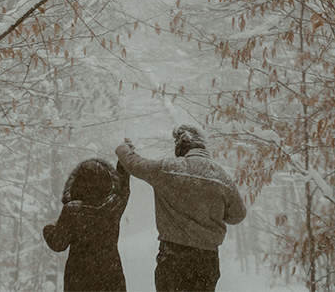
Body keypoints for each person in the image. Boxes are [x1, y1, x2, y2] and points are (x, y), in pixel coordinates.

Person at [116, 125, 246, 292]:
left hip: (173, 256)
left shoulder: (168, 169)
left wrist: (123, 148)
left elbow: (135, 164)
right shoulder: (222, 177)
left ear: (181, 145)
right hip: (207, 259)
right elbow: (238, 216)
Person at [43, 157, 130, 292]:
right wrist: (123, 163)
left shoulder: (72, 211)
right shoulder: (113, 205)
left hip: (79, 277)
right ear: (105, 181)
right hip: (110, 273)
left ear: (78, 183)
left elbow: (58, 244)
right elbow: (124, 189)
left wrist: (48, 228)